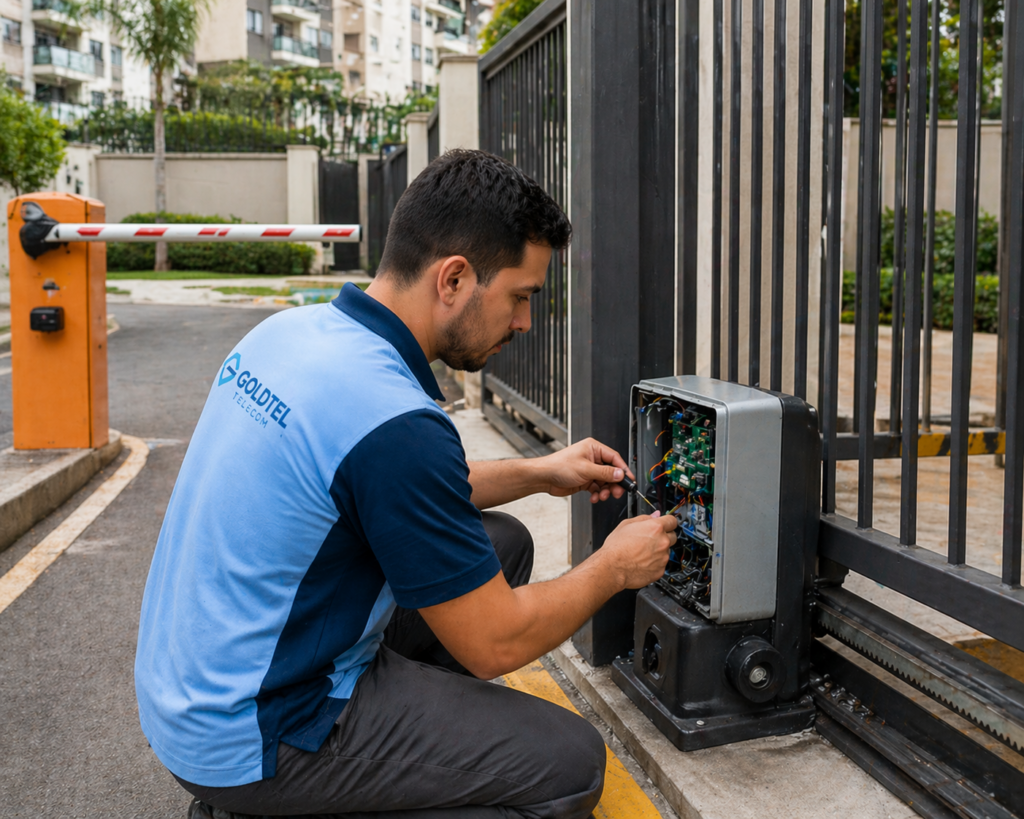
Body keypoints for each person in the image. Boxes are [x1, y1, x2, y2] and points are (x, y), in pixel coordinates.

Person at [135, 149, 678, 819]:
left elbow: (387, 483)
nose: (524, 323)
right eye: (520, 296)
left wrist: (542, 472)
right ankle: (276, 805)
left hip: (189, 689)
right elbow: (495, 643)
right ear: (453, 278)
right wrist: (614, 566)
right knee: (568, 765)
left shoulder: (295, 333)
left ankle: (370, 769)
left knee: (500, 543)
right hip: (259, 729)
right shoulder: (393, 420)